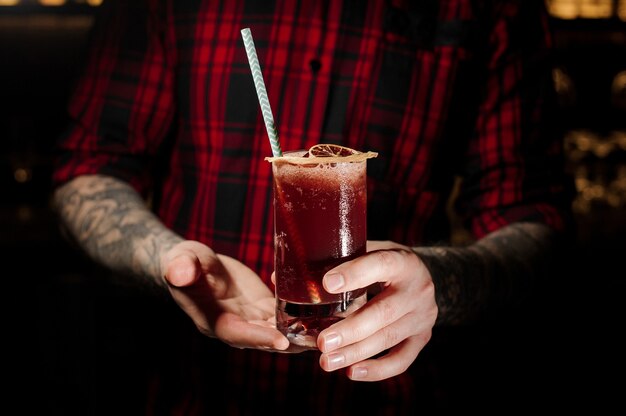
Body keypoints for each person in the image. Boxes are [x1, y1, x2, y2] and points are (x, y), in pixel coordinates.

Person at [51, 0, 573, 413]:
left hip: (395, 397)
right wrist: (165, 258)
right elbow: (86, 169)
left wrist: (438, 279)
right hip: (190, 390)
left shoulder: (490, 7)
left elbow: (537, 223)